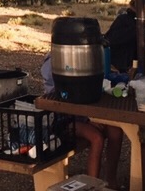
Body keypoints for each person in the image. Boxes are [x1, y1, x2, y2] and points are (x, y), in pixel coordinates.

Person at [41, 53, 123, 188]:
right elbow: (64, 98)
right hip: (62, 119)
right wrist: (88, 118)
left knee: (115, 131)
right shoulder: (53, 63)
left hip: (83, 115)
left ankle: (111, 182)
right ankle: (91, 185)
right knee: (96, 138)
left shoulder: (81, 55)